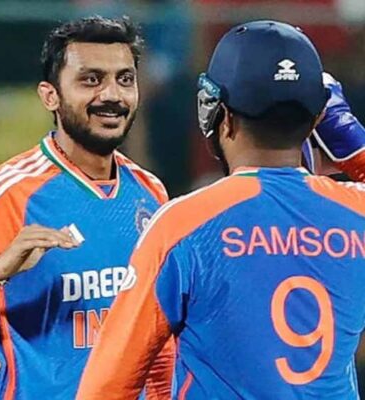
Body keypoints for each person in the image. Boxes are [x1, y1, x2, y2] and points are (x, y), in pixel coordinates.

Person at [0, 16, 174, 399]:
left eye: (125, 79)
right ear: (50, 96)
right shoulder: (2, 196)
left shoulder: (150, 192)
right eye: (91, 80)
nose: (112, 95)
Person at [77, 20, 365, 399]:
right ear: (316, 120)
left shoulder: (183, 224)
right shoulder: (357, 212)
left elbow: (104, 389)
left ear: (220, 116)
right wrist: (354, 147)